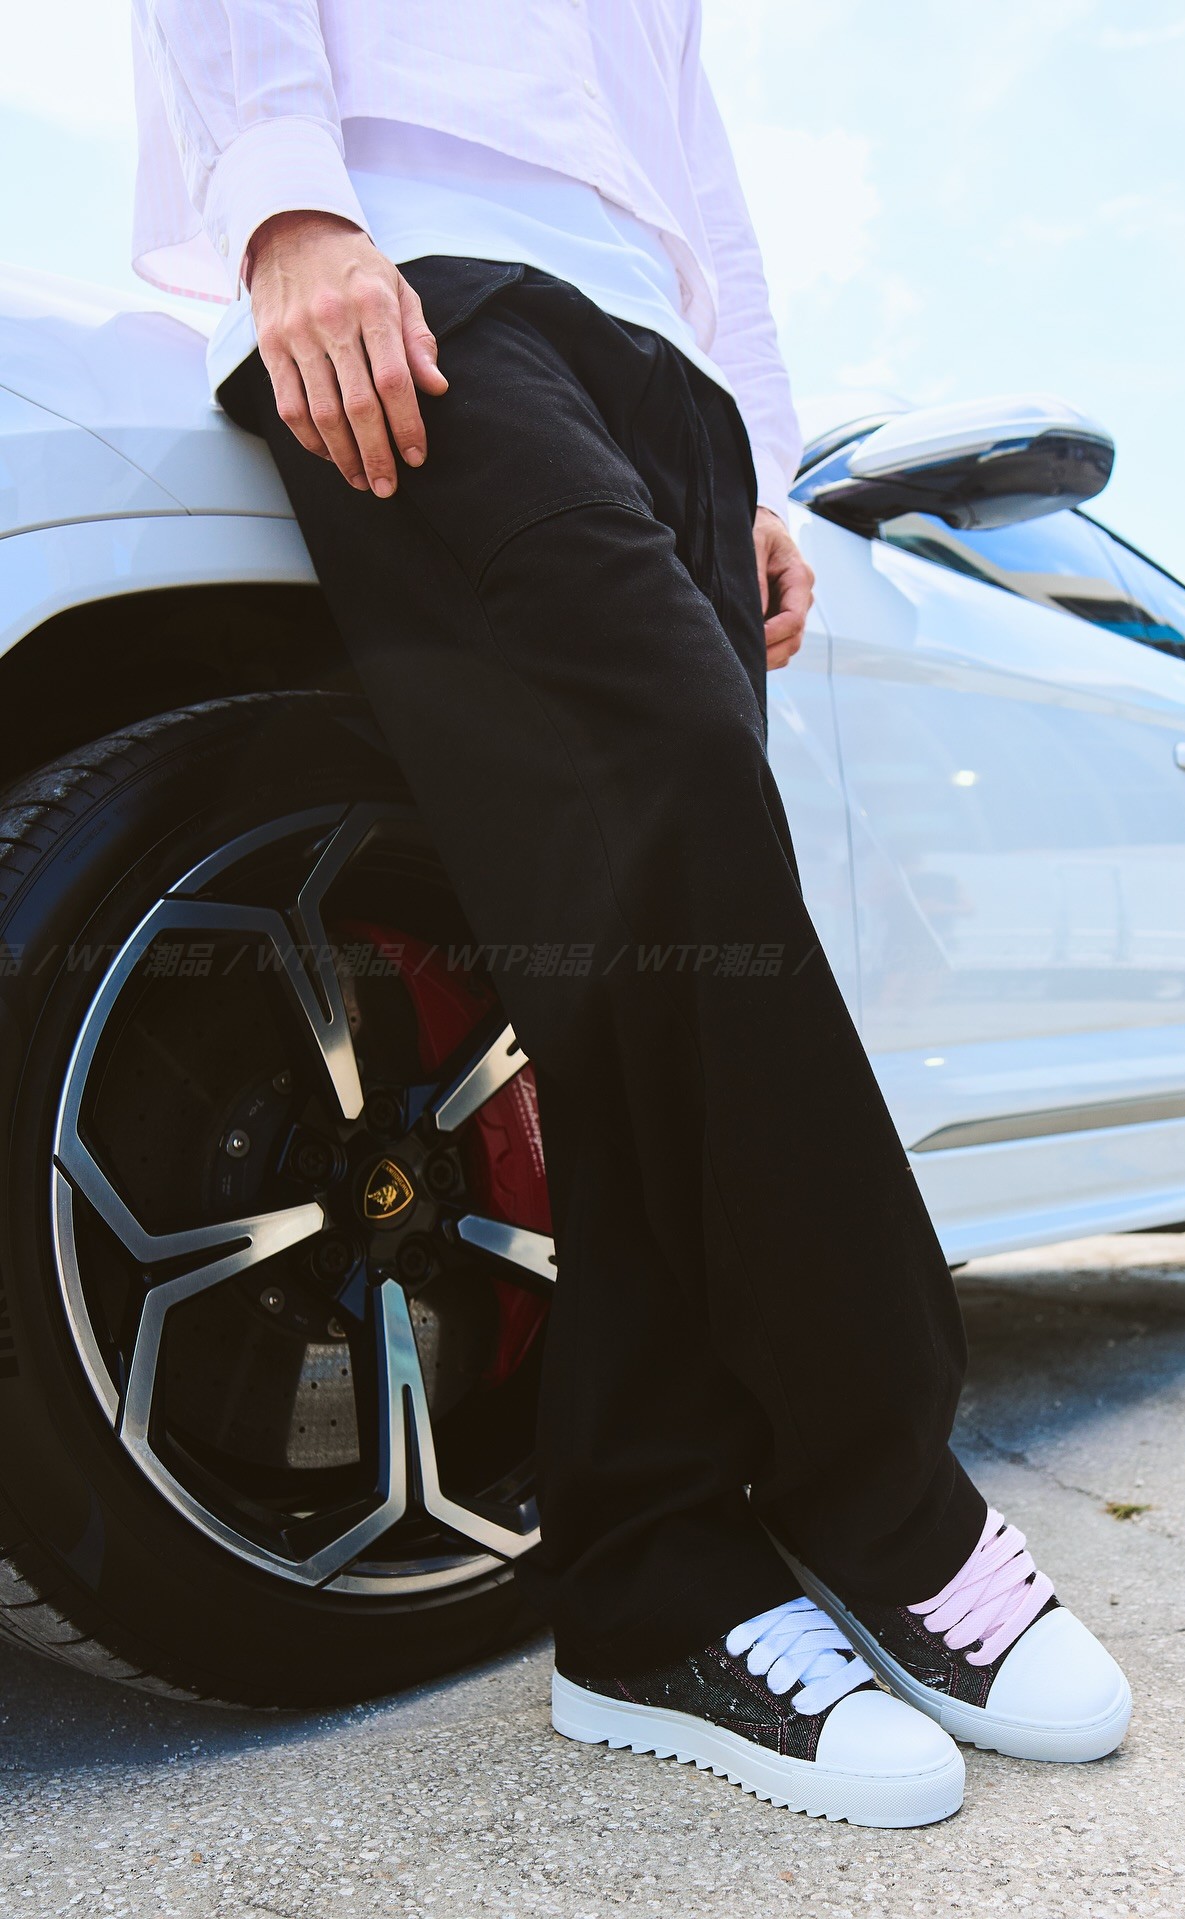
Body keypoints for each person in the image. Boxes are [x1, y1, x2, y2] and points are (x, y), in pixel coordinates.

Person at [131, 0, 1130, 1827]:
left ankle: (655, 1587)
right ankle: (885, 1490)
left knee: (644, 977)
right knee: (676, 822)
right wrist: (285, 204)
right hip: (418, 286)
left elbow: (694, 160)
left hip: (665, 380)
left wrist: (757, 459)